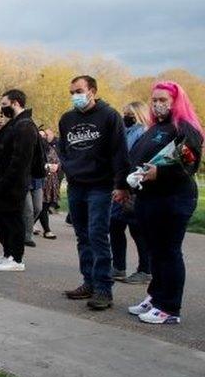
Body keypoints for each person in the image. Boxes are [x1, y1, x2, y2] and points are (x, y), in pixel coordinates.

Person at [127, 82, 202, 325]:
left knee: (168, 251)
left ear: (175, 101)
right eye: (154, 100)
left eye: (163, 100)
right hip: (149, 197)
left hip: (173, 198)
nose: (158, 104)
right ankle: (156, 296)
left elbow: (188, 164)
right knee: (155, 251)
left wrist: (160, 174)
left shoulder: (185, 128)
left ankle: (169, 307)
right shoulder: (154, 128)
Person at [57, 75, 129, 310]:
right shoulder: (67, 119)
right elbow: (63, 149)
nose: (75, 96)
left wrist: (121, 184)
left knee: (98, 235)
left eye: (79, 91)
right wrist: (69, 168)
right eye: (71, 93)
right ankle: (88, 281)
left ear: (92, 91)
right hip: (77, 184)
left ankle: (103, 288)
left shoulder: (109, 116)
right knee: (82, 236)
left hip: (100, 185)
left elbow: (119, 151)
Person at [0, 89, 40, 272]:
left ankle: (16, 258)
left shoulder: (25, 126)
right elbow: (0, 145)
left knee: (13, 220)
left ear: (16, 103)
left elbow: (20, 161)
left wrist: (5, 182)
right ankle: (7, 253)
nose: (2, 109)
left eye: (4, 105)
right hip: (4, 179)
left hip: (14, 182)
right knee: (3, 219)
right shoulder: (14, 124)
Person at [110, 102, 151, 284]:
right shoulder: (125, 132)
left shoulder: (143, 133)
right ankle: (118, 266)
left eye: (130, 114)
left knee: (137, 229)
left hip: (134, 187)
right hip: (120, 185)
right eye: (124, 113)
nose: (126, 116)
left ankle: (145, 269)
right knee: (115, 225)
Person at [34, 128, 59, 240]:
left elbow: (57, 161)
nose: (43, 138)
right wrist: (47, 166)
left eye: (45, 136)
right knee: (40, 206)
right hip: (39, 180)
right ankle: (47, 230)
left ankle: (30, 225)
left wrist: (57, 166)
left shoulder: (50, 148)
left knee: (45, 205)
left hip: (51, 181)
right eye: (40, 136)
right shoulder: (34, 149)